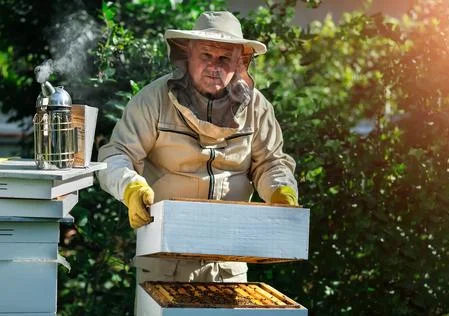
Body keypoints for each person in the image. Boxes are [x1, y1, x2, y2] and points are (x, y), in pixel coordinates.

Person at [97, 9, 298, 299]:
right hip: (163, 258)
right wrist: (129, 186)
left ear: (240, 62)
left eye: (224, 59)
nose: (214, 66)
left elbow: (270, 163)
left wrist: (281, 190)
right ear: (187, 54)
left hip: (229, 260)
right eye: (206, 55)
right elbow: (115, 155)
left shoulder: (257, 108)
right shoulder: (153, 100)